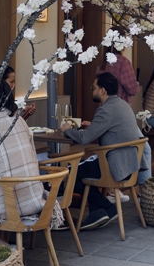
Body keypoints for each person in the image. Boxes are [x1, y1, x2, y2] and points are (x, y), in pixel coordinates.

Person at [0, 78, 62, 244]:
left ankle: (6, 251)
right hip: (34, 199)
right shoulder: (19, 121)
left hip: (6, 208)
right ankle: (7, 249)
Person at [60, 72, 148, 230]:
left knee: (65, 173)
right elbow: (107, 130)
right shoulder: (122, 105)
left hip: (113, 166)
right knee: (80, 172)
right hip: (129, 165)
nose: (91, 90)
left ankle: (106, 206)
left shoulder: (105, 110)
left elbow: (84, 139)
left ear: (103, 90)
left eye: (93, 87)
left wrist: (67, 129)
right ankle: (97, 211)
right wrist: (93, 126)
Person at [97, 39, 151, 200]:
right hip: (120, 113)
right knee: (144, 149)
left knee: (109, 150)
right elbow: (133, 88)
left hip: (103, 112)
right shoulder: (122, 62)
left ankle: (111, 190)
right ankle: (145, 192)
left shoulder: (102, 62)